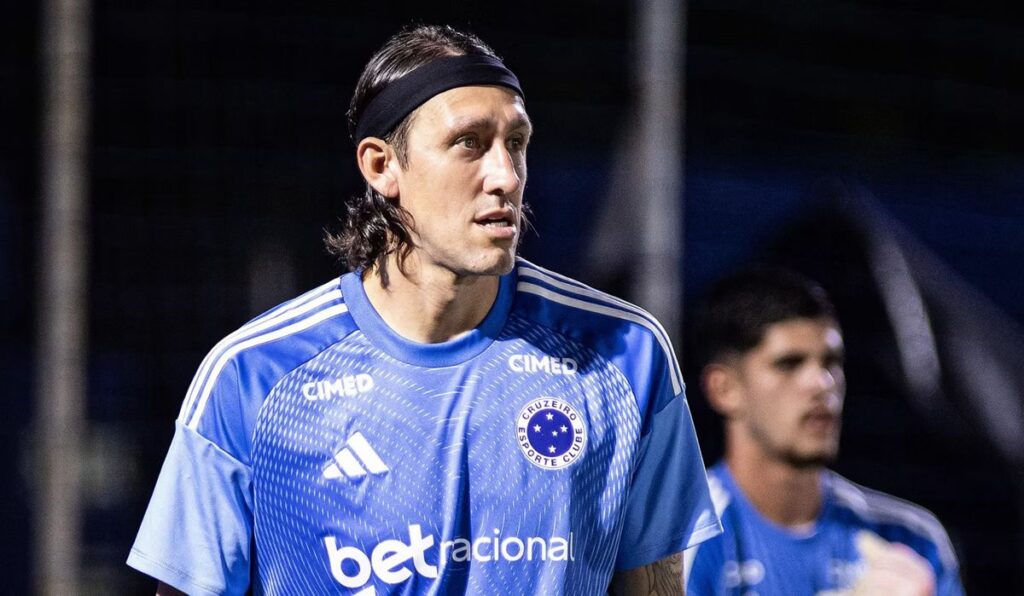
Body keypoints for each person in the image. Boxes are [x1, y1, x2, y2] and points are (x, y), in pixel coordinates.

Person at [128, 24, 721, 595]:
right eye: (470, 144)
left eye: (516, 144)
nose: (506, 176)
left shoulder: (623, 353)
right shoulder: (254, 376)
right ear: (381, 166)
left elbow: (656, 588)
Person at [684, 268, 965, 595]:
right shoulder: (682, 542)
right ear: (724, 390)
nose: (823, 383)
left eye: (831, 362)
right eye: (789, 364)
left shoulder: (913, 539)